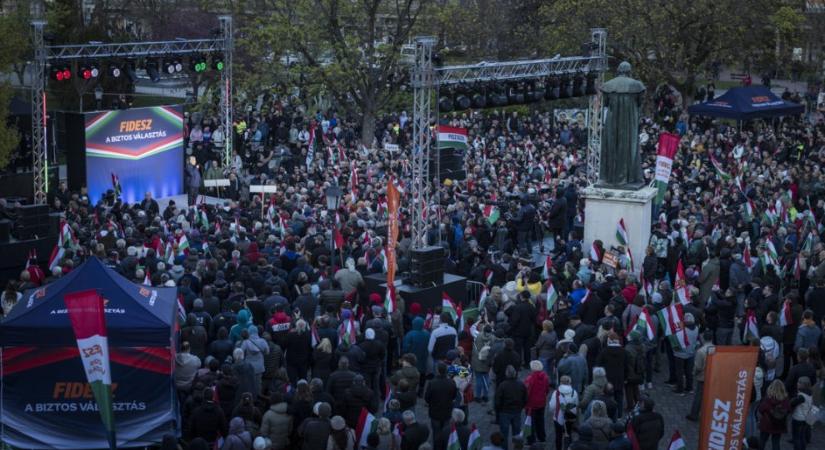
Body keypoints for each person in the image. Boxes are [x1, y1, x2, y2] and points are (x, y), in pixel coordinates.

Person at [495, 365, 527, 449]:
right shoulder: (521, 384)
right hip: (516, 411)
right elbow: (525, 398)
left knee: (504, 434)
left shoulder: (502, 385)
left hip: (505, 412)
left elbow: (497, 400)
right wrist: (521, 407)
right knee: (516, 433)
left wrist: (499, 410)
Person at [425, 362, 457, 439]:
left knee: (436, 433)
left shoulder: (432, 383)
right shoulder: (451, 382)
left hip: (435, 412)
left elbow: (427, 398)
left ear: (438, 371)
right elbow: (454, 396)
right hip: (447, 411)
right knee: (446, 432)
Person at [758, 380, 791, 450]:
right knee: (776, 442)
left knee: (762, 440)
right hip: (779, 424)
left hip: (767, 423)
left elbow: (761, 409)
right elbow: (788, 410)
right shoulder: (785, 400)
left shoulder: (768, 399)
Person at [548, 375, 579, 450]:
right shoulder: (574, 392)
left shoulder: (556, 393)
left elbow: (552, 406)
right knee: (568, 434)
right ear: (569, 382)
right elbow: (577, 405)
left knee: (558, 435)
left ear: (560, 382)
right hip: (570, 417)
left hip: (558, 417)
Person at [524, 360, 550, 445]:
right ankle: (542, 438)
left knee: (530, 423)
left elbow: (526, 392)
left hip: (531, 404)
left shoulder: (530, 379)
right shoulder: (545, 377)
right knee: (540, 421)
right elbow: (547, 390)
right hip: (541, 403)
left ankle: (531, 440)